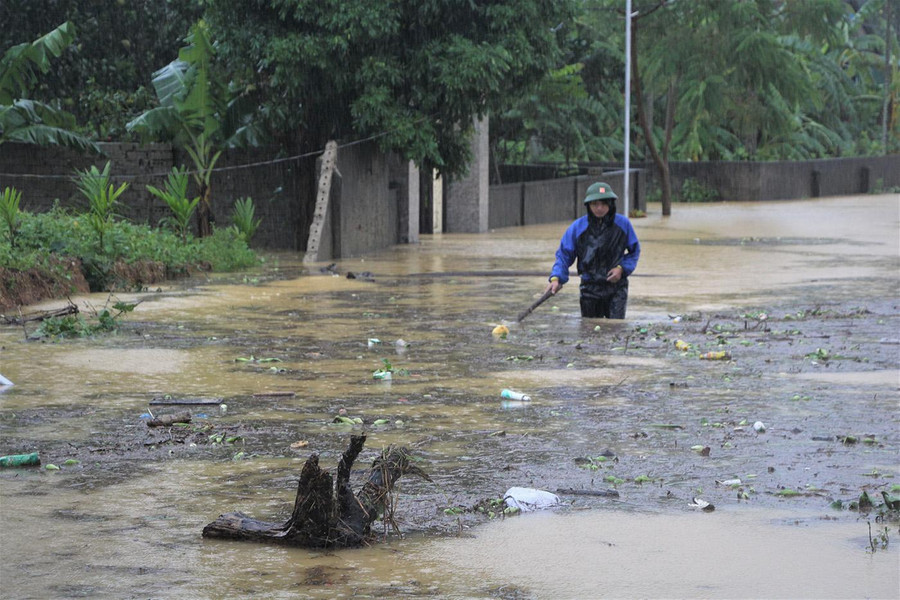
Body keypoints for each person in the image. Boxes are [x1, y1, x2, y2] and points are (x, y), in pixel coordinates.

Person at [545, 181, 641, 318]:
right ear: (588, 205)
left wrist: (621, 268)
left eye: (603, 204)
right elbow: (564, 255)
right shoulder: (578, 227)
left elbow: (634, 251)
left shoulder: (623, 225)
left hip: (616, 288)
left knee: (615, 329)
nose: (599, 208)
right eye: (595, 204)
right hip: (589, 288)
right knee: (589, 332)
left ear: (610, 204)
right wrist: (556, 278)